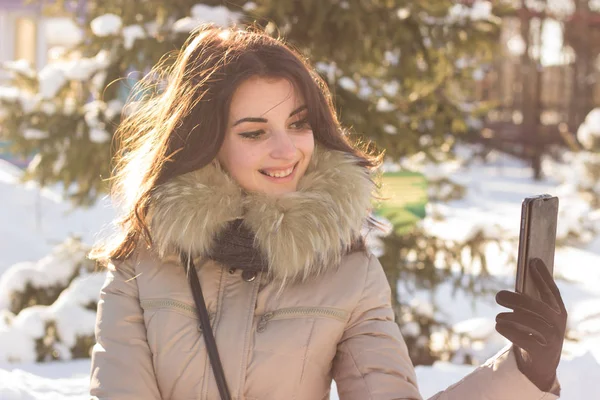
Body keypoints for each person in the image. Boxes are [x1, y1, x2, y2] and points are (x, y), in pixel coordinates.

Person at [89, 25, 567, 400]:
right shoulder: (143, 262)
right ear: (207, 143)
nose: (286, 150)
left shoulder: (347, 270)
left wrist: (526, 372)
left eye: (297, 124)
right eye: (254, 132)